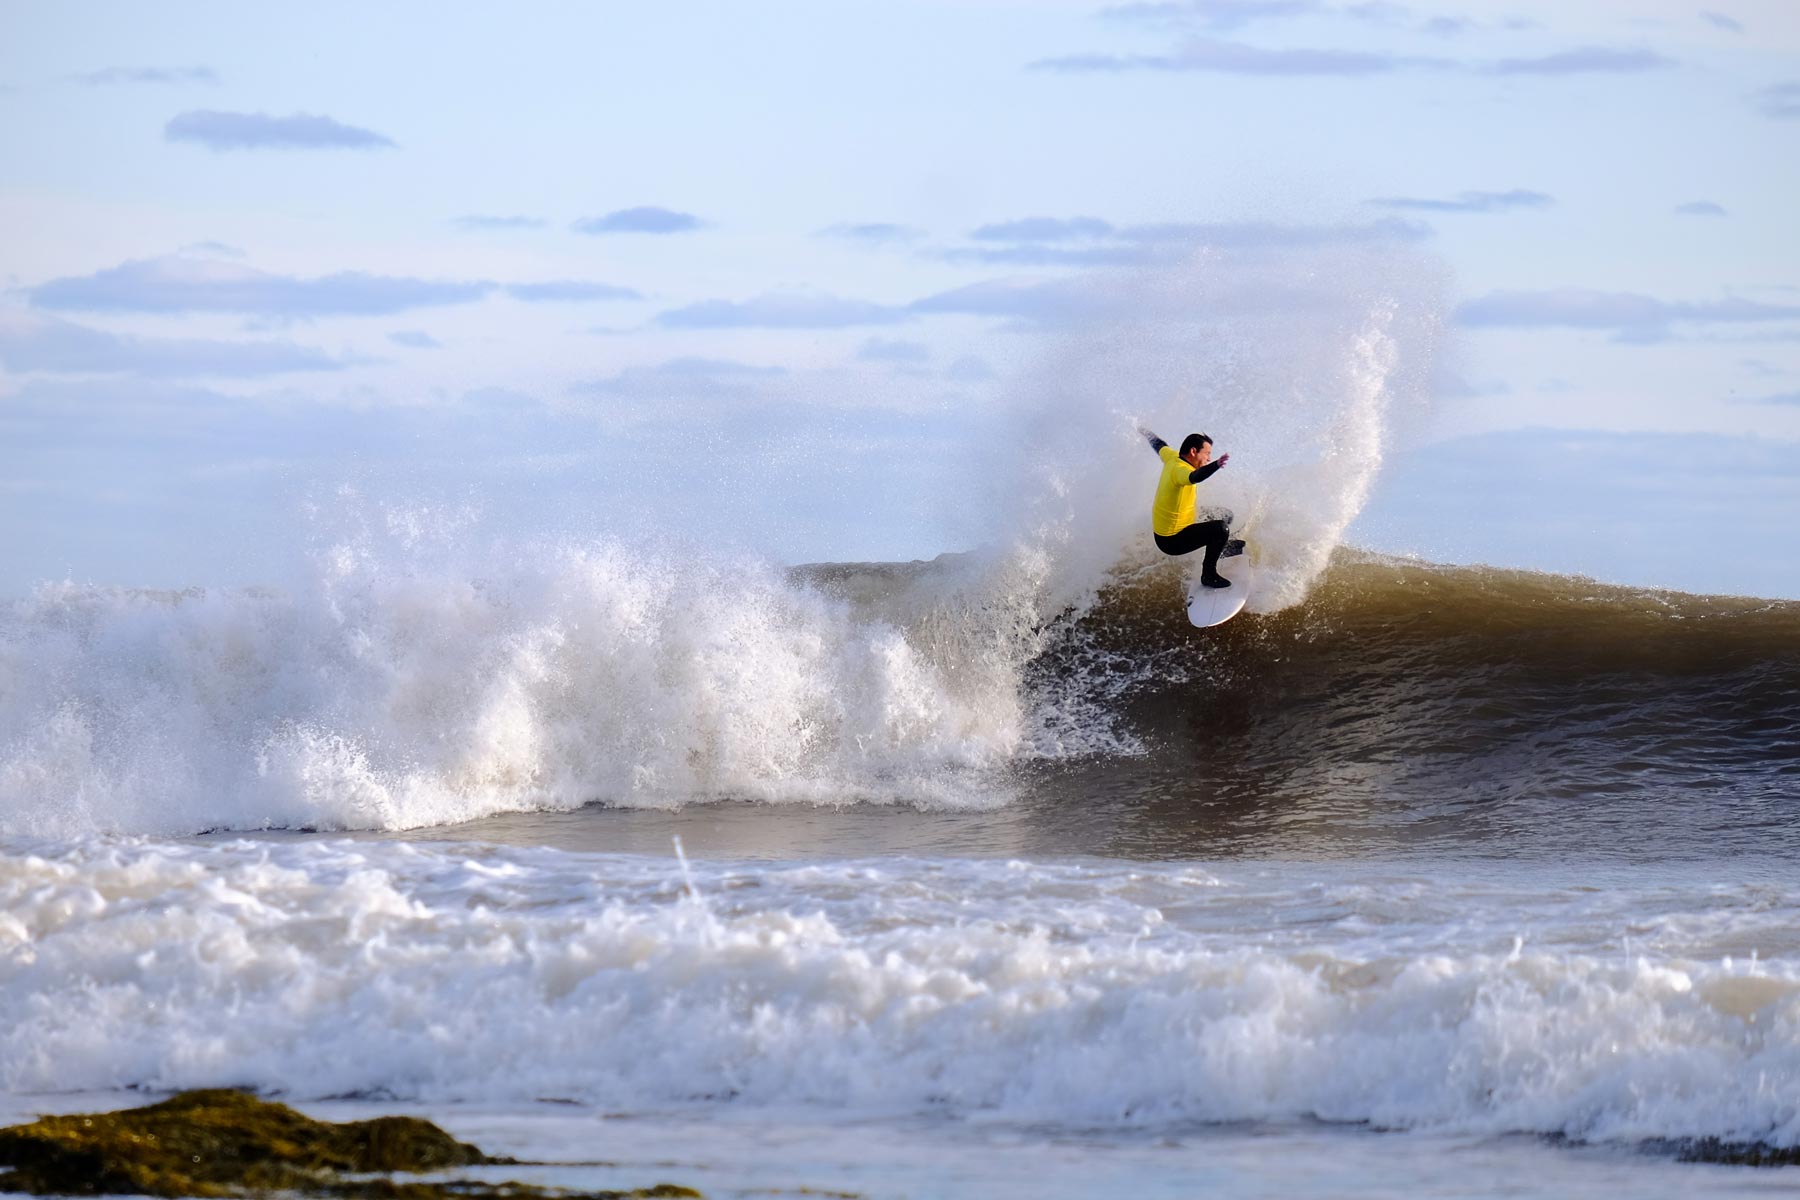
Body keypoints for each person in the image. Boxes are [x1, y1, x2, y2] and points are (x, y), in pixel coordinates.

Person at [1140, 426, 1241, 588]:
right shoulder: (1181, 470)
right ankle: (1208, 575)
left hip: (1183, 522)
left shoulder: (1173, 457)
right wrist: (1216, 465)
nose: (1208, 458)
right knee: (1220, 529)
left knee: (1224, 515)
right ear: (1193, 452)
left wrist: (1144, 431)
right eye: (1207, 454)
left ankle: (1221, 548)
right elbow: (1195, 477)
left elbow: (1159, 445)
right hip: (1172, 540)